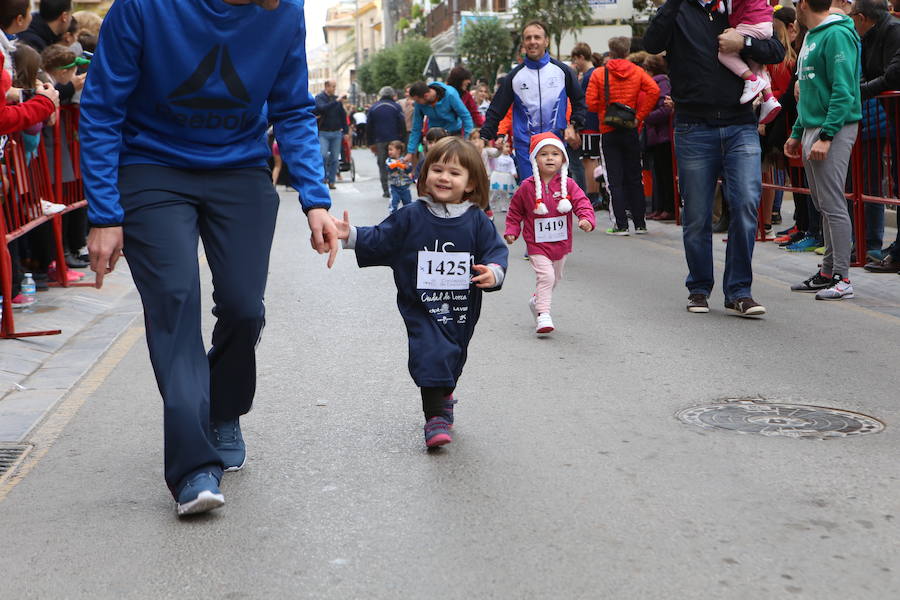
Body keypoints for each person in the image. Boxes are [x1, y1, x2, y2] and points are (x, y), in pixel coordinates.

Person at [80, 0, 339, 517]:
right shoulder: (143, 8)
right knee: (175, 302)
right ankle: (193, 466)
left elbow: (290, 107)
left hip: (240, 168)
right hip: (151, 166)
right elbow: (103, 107)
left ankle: (224, 409)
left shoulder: (284, 11)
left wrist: (316, 198)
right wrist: (105, 213)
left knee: (244, 307)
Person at [332, 137, 508, 448]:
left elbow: (495, 251)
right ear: (424, 174)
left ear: (470, 184)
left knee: (453, 356)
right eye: (437, 170)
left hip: (461, 309)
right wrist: (351, 236)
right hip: (422, 306)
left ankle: (445, 391)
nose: (444, 177)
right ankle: (434, 418)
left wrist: (493, 272)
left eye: (455, 173)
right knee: (430, 352)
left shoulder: (477, 220)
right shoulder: (412, 215)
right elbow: (381, 238)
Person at [644, 0, 785, 316]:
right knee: (696, 213)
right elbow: (651, 43)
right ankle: (699, 287)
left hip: (740, 124)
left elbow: (776, 49)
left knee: (748, 202)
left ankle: (739, 290)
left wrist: (744, 42)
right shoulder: (678, 9)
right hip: (694, 125)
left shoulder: (738, 4)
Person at [785, 0, 861, 300]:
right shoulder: (813, 36)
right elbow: (808, 91)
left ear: (803, 4)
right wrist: (797, 132)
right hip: (815, 127)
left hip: (833, 127)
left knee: (832, 204)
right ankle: (828, 272)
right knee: (822, 203)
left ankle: (842, 277)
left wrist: (827, 135)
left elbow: (844, 90)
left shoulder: (836, 34)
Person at [504, 133, 594, 335]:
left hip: (561, 243)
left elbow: (582, 203)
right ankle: (543, 314)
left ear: (563, 158)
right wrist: (512, 231)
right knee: (546, 276)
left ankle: (536, 301)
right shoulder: (526, 188)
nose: (550, 158)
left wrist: (586, 219)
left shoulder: (569, 184)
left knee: (555, 278)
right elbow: (515, 212)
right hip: (536, 244)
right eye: (544, 154)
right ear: (535, 159)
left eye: (555, 153)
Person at [480, 21, 587, 180]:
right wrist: (484, 138)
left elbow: (579, 102)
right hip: (525, 147)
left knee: (555, 196)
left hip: (554, 144)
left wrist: (574, 125)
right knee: (531, 196)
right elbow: (496, 109)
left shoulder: (563, 71)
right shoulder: (513, 77)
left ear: (546, 41)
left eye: (537, 37)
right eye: (528, 38)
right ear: (523, 43)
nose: (532, 41)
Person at [585, 36, 660, 235]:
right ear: (627, 51)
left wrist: (605, 108)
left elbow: (591, 104)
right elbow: (654, 90)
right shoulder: (637, 72)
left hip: (608, 130)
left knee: (614, 180)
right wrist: (639, 116)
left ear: (610, 50)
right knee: (635, 177)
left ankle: (621, 224)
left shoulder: (600, 74)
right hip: (630, 129)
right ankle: (640, 223)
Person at [853, 0, 900, 271]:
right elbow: (871, 73)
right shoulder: (873, 35)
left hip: (893, 114)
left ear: (862, 18)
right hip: (893, 116)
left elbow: (894, 74)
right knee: (896, 182)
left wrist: (862, 91)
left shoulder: (892, 30)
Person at [717, 0, 782, 123]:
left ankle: (752, 79)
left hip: (752, 23)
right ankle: (769, 98)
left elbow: (778, 51)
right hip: (764, 22)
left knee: (724, 53)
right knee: (754, 60)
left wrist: (743, 42)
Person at [404, 80, 474, 163]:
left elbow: (465, 116)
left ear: (426, 96)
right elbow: (416, 127)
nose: (416, 103)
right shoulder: (419, 104)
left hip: (453, 132)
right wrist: (410, 152)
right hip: (435, 135)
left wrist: (467, 138)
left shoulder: (450, 94)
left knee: (453, 161)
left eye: (418, 101)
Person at [643, 53, 675, 221]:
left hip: (662, 136)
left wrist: (646, 116)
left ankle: (668, 208)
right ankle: (660, 207)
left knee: (665, 175)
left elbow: (664, 109)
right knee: (659, 175)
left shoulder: (661, 83)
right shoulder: (658, 83)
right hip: (656, 136)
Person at [366, 86, 406, 199]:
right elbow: (402, 124)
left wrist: (370, 143)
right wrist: (402, 140)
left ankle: (385, 190)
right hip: (394, 139)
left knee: (382, 165)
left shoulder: (373, 108)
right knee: (396, 164)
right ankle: (398, 187)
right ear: (392, 95)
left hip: (379, 140)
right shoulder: (396, 107)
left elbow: (369, 127)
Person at [315, 80, 348, 190]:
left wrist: (346, 132)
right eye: (333, 86)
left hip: (336, 132)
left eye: (335, 86)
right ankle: (324, 177)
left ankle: (332, 180)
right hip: (323, 132)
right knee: (323, 155)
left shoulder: (337, 100)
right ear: (326, 87)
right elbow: (322, 108)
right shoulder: (320, 98)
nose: (334, 89)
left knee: (335, 158)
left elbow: (342, 116)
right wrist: (337, 101)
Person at [488, 137, 518, 213]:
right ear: (502, 147)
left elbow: (512, 167)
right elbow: (491, 162)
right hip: (497, 175)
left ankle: (503, 206)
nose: (508, 149)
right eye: (506, 147)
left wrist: (514, 173)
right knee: (495, 191)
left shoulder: (510, 159)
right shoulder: (497, 157)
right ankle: (492, 202)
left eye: (509, 147)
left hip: (506, 177)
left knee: (504, 192)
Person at [385, 140, 414, 213]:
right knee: (393, 203)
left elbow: (409, 169)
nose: (389, 152)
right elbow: (390, 169)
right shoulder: (389, 160)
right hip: (394, 187)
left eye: (391, 149)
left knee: (408, 204)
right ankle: (392, 217)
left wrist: (406, 166)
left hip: (405, 186)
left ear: (398, 151)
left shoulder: (404, 160)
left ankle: (408, 217)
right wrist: (397, 164)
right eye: (389, 150)